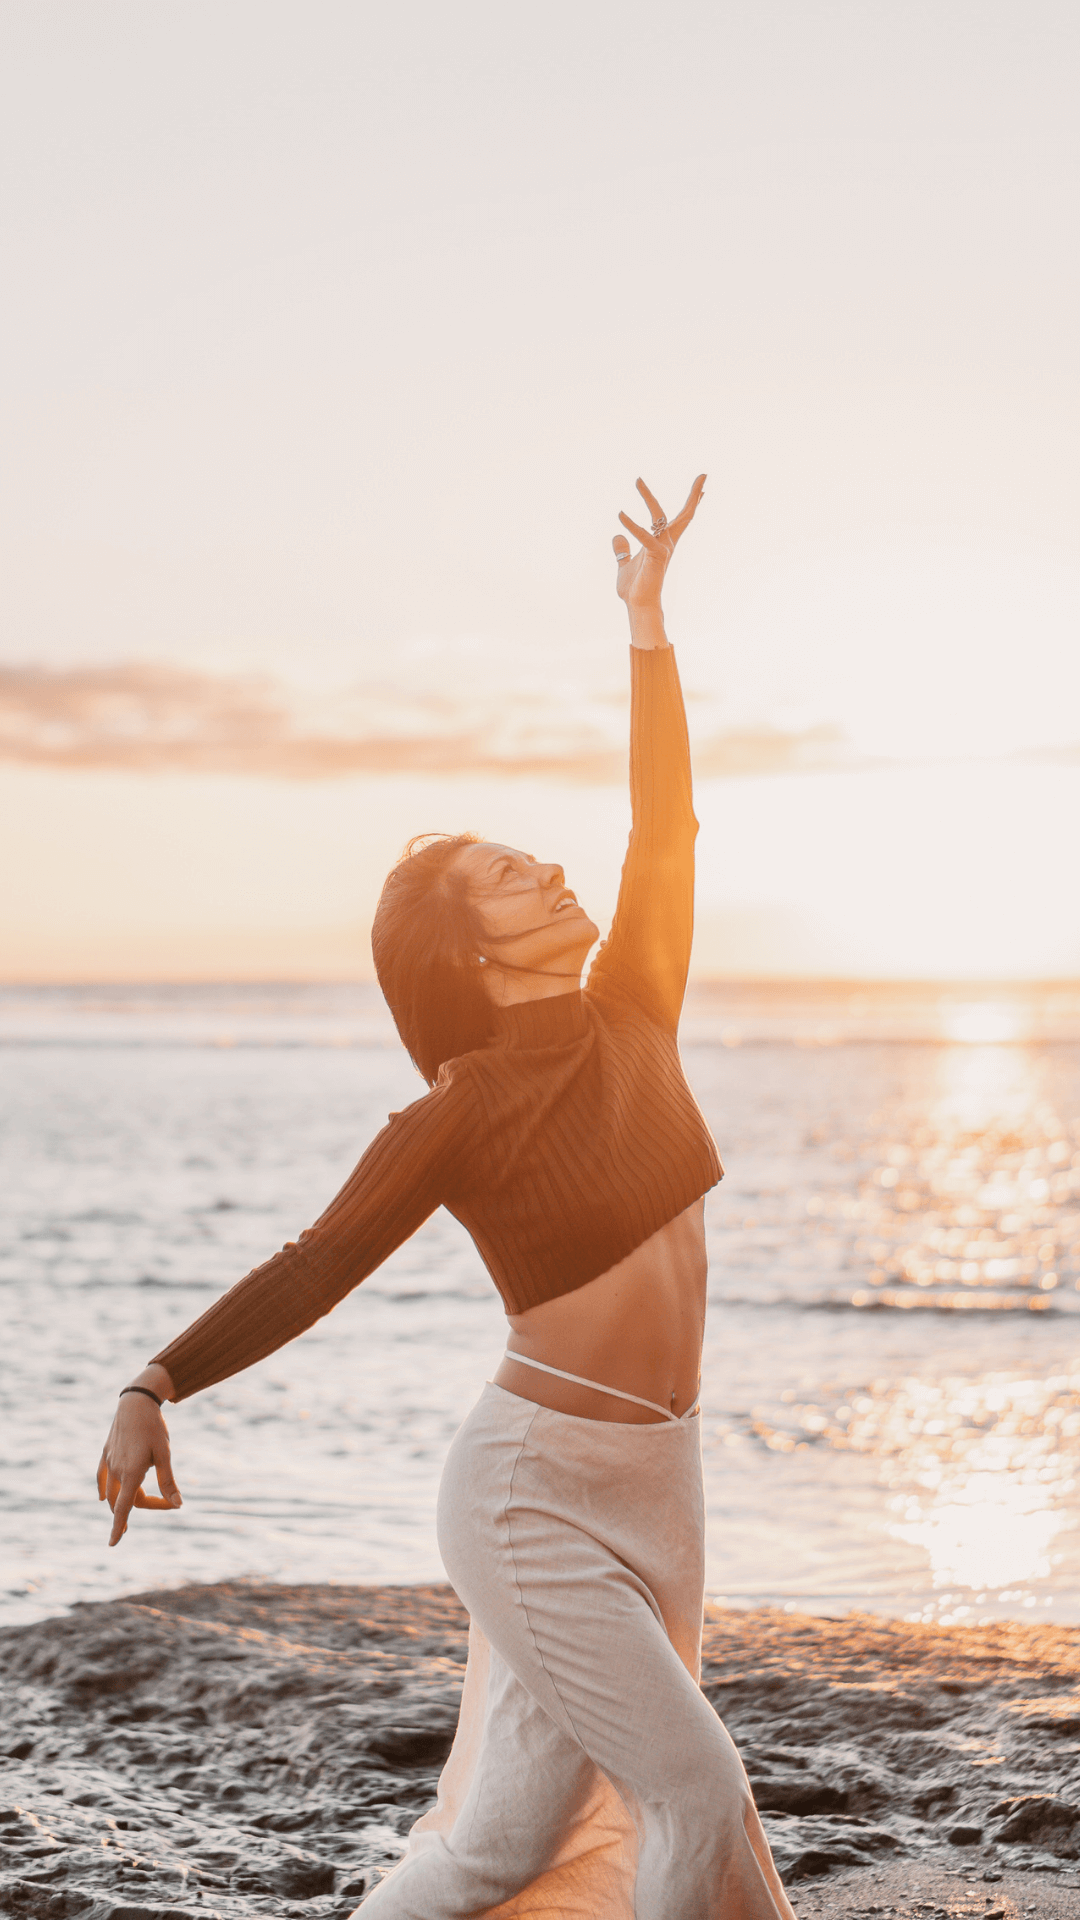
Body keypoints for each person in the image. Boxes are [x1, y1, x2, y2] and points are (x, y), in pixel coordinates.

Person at [97, 475, 797, 1919]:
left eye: (530, 851)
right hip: (529, 1493)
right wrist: (158, 1377)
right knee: (695, 1792)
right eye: (505, 872)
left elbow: (664, 831)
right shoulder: (461, 1112)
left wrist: (648, 633)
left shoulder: (634, 1015)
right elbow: (323, 1257)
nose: (546, 865)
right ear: (467, 950)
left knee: (502, 1845)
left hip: (659, 1483)